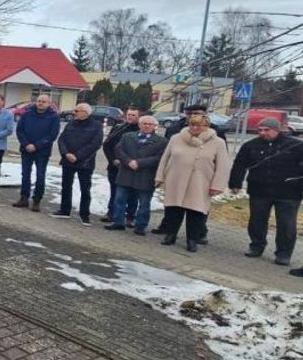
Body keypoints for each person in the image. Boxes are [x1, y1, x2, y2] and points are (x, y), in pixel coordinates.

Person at [229, 118, 303, 267]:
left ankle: (283, 253)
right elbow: (239, 164)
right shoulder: (250, 145)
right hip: (259, 190)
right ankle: (256, 246)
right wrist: (235, 183)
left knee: (286, 224)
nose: (263, 133)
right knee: (257, 220)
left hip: (288, 192)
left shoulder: (296, 145)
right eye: (260, 130)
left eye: (267, 130)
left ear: (277, 130)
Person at [155, 114, 231, 252]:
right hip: (176, 179)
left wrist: (217, 185)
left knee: (195, 212)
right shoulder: (176, 138)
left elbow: (222, 166)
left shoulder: (218, 142)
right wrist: (160, 176)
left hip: (201, 182)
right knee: (173, 209)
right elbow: (165, 158)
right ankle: (170, 235)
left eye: (199, 125)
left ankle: (192, 240)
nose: (195, 128)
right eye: (192, 124)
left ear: (206, 126)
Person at [104, 115, 167, 235]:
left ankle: (140, 226)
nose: (147, 126)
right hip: (126, 173)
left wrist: (139, 163)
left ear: (155, 126)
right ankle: (118, 222)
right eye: (144, 123)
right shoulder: (127, 136)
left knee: (144, 203)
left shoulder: (162, 141)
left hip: (146, 176)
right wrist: (128, 161)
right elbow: (119, 150)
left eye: (150, 124)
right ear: (139, 125)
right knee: (119, 199)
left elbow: (159, 157)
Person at [50, 103, 103, 226]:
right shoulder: (71, 123)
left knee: (85, 189)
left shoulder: (96, 126)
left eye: (77, 111)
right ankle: (64, 210)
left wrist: (77, 156)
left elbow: (95, 144)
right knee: (66, 186)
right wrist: (66, 153)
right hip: (68, 160)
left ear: (85, 112)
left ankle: (85, 215)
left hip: (85, 163)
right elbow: (61, 139)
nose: (74, 113)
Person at [14, 94, 60, 212]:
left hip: (42, 152)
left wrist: (36, 145)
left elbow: (52, 135)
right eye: (39, 101)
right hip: (26, 150)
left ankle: (36, 201)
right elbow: (19, 130)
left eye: (44, 101)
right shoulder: (27, 114)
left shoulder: (54, 117)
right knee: (25, 175)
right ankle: (24, 198)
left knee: (40, 176)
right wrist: (26, 144)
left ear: (49, 103)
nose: (40, 103)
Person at [100, 107, 141, 223]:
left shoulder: (140, 131)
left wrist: (128, 161)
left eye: (133, 115)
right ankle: (111, 213)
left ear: (138, 117)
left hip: (131, 167)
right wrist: (113, 159)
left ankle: (130, 216)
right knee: (114, 191)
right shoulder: (118, 128)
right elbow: (107, 145)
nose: (130, 117)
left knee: (132, 193)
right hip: (115, 165)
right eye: (129, 114)